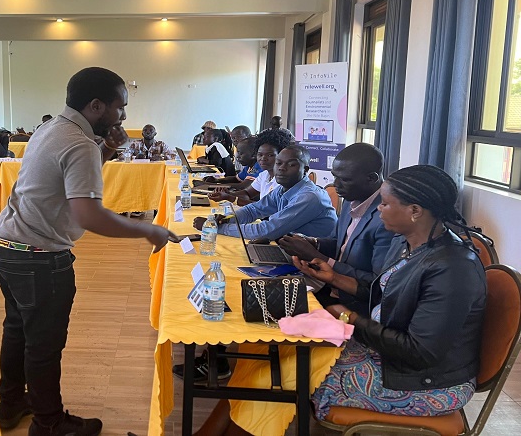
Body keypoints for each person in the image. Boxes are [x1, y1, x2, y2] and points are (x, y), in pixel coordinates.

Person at [0, 67, 177, 435]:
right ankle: (48, 423)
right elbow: (88, 214)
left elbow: (66, 181)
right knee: (43, 344)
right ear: (96, 106)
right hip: (37, 256)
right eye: (120, 108)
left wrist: (106, 149)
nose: (124, 117)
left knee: (18, 329)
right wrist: (147, 229)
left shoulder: (53, 128)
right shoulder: (78, 143)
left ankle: (11, 404)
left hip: (4, 244)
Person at [290, 165, 486, 422]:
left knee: (293, 374)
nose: (379, 210)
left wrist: (350, 319)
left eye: (385, 204)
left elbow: (420, 352)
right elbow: (385, 296)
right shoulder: (406, 243)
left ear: (414, 211)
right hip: (388, 356)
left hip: (426, 382)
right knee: (290, 352)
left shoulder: (453, 268)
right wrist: (334, 278)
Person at [279, 143, 394, 315]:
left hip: (353, 305)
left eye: (344, 179)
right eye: (335, 176)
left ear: (371, 178)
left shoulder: (387, 218)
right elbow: (337, 242)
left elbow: (377, 283)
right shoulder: (351, 198)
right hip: (327, 285)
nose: (336, 184)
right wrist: (313, 243)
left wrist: (317, 257)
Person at [195, 145, 336, 241]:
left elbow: (267, 230)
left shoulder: (309, 197)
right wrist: (225, 219)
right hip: (291, 247)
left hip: (314, 262)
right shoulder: (283, 188)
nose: (282, 168)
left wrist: (215, 228)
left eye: (291, 164)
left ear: (305, 170)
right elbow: (253, 210)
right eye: (279, 163)